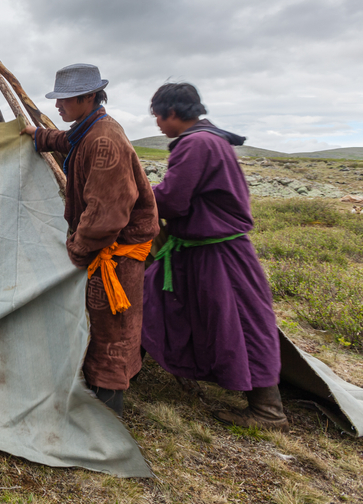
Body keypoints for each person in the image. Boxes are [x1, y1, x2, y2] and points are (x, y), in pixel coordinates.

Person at [142, 82, 286, 431]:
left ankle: (268, 412)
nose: (158, 126)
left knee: (240, 321)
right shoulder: (210, 141)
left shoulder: (196, 144)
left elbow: (174, 200)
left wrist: (136, 192)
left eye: (159, 118)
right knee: (189, 310)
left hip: (219, 253)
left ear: (173, 113)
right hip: (204, 250)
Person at [19, 63, 158, 415]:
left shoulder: (105, 142)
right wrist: (40, 137)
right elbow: (66, 140)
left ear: (88, 97)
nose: (58, 106)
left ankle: (108, 409)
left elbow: (105, 215)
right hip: (104, 247)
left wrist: (77, 251)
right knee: (102, 323)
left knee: (111, 328)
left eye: (64, 100)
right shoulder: (91, 129)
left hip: (114, 251)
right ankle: (100, 392)